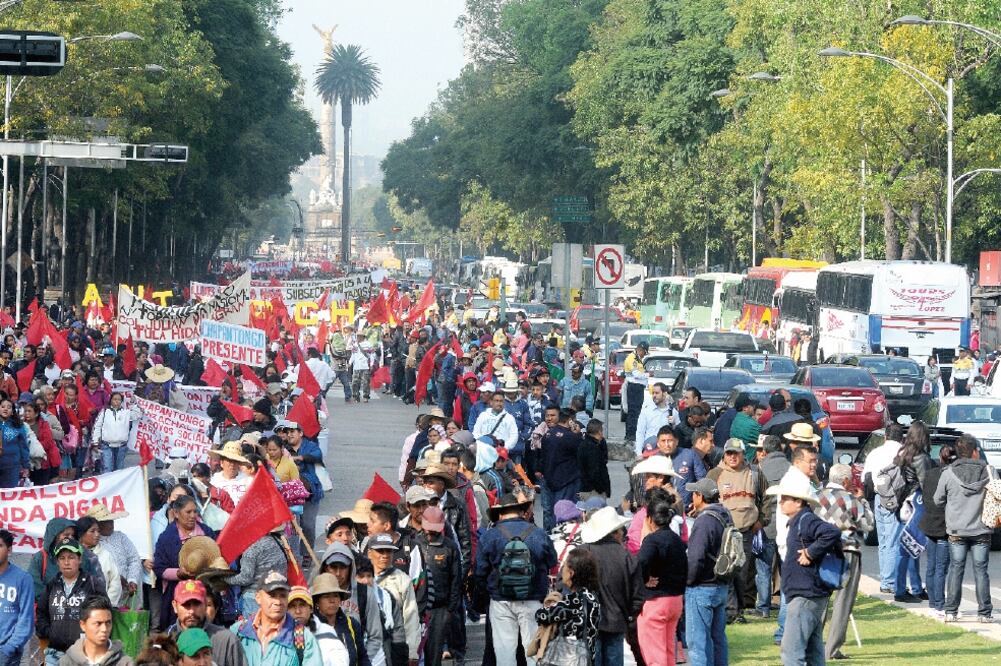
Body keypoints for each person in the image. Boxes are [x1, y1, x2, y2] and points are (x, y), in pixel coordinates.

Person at [475, 493, 557, 666]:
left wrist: (482, 598)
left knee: (505, 652)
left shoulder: (490, 536)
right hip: (532, 598)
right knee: (533, 651)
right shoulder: (538, 534)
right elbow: (551, 561)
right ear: (521, 512)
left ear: (501, 513)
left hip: (500, 600)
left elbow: (480, 571)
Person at [770, 473, 841, 666]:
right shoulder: (801, 520)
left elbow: (832, 532)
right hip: (809, 594)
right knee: (812, 650)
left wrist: (810, 552)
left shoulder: (806, 520)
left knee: (791, 652)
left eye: (785, 499)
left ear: (799, 502)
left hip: (805, 595)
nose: (781, 502)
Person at [934, 433, 994, 622]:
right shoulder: (989, 471)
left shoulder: (948, 473)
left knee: (955, 569)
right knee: (981, 571)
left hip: (957, 529)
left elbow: (937, 499)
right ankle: (984, 613)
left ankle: (951, 610)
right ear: (975, 452)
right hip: (982, 528)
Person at [817, 464, 874, 661]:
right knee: (843, 603)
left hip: (823, 551)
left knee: (820, 600)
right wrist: (863, 501)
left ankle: (813, 644)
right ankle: (831, 649)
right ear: (847, 481)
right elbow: (869, 524)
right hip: (848, 551)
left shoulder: (817, 497)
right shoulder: (851, 500)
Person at [706, 438, 767, 624]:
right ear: (724, 454)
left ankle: (737, 610)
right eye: (729, 453)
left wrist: (761, 521)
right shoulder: (715, 474)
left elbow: (768, 499)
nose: (732, 457)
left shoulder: (755, 473)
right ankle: (726, 609)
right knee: (723, 569)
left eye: (736, 453)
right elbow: (706, 500)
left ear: (743, 454)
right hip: (722, 532)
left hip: (745, 531)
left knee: (741, 571)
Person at [578, 507, 642, 666]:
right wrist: (628, 614)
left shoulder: (581, 553)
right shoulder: (625, 556)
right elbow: (638, 596)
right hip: (617, 622)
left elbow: (563, 585)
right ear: (615, 531)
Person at [636, 489, 687, 666]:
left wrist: (643, 580)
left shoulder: (652, 540)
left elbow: (641, 563)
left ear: (649, 519)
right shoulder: (676, 540)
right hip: (675, 600)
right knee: (667, 651)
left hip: (656, 600)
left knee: (654, 655)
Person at [683, 478, 731, 666]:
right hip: (721, 584)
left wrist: (688, 582)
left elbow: (695, 558)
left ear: (700, 496)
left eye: (694, 493)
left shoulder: (704, 521)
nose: (692, 496)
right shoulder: (725, 515)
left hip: (702, 587)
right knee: (718, 639)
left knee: (698, 644)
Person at [232, 571, 323, 665]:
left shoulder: (303, 637)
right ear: (258, 597)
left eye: (283, 596)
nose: (278, 602)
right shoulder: (238, 631)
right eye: (272, 595)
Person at [153, 495, 216, 631]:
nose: (193, 516)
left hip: (205, 590)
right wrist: (178, 573)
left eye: (195, 511)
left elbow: (217, 557)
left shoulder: (207, 532)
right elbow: (159, 568)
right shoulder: (167, 538)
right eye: (188, 512)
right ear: (176, 513)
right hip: (177, 591)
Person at [37, 539, 105, 665]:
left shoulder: (92, 584)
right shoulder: (52, 585)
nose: (66, 562)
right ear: (57, 562)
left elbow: (105, 615)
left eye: (71, 557)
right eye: (62, 558)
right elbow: (41, 613)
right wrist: (50, 633)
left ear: (79, 560)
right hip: (55, 654)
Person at [318, 543, 385, 666]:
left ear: (351, 568)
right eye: (333, 567)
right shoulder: (313, 594)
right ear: (325, 568)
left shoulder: (364, 593)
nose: (338, 573)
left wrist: (360, 659)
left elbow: (375, 636)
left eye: (343, 567)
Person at [534, 548, 602, 665]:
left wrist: (553, 601)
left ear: (571, 573)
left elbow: (541, 615)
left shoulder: (572, 602)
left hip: (566, 659)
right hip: (587, 659)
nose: (562, 570)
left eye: (564, 566)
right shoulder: (593, 597)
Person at [893, 422, 933, 603]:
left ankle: (911, 587)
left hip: (904, 503)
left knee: (907, 547)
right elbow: (926, 485)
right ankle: (903, 590)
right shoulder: (921, 458)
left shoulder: (903, 454)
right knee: (910, 548)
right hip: (916, 503)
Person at [416, 506, 462, 666]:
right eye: (428, 529)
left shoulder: (450, 547)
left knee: (434, 656)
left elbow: (456, 580)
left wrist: (450, 609)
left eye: (434, 530)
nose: (430, 534)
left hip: (440, 610)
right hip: (416, 610)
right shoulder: (414, 544)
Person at [862, 423, 904, 594]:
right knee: (894, 541)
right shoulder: (904, 453)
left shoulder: (875, 453)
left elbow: (866, 477)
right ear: (901, 438)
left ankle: (886, 579)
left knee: (884, 541)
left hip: (880, 497)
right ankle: (890, 580)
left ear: (886, 436)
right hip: (898, 499)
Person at [167, 579, 248, 666]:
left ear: (205, 605)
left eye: (197, 604)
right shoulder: (166, 643)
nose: (191, 611)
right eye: (186, 605)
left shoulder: (227, 640)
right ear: (175, 606)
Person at [367, 534, 420, 665]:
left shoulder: (402, 580)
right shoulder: (361, 578)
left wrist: (412, 651)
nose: (385, 555)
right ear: (369, 553)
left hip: (394, 643)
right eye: (380, 551)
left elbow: (411, 617)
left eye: (389, 551)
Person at [920, 445, 956, 620]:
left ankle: (933, 603)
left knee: (931, 566)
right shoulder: (951, 477)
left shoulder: (930, 474)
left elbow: (926, 497)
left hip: (929, 523)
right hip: (943, 526)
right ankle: (939, 604)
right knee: (941, 567)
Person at [307, 575, 368, 666]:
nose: (332, 600)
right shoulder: (309, 627)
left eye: (335, 596)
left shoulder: (351, 624)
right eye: (326, 596)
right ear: (317, 601)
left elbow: (362, 657)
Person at [58, 595, 133, 666]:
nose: (104, 629)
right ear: (82, 625)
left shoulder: (124, 662)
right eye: (98, 623)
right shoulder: (67, 662)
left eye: (108, 623)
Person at [539, 409, 583, 532]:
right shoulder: (571, 437)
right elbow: (583, 452)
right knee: (564, 511)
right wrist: (578, 435)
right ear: (570, 420)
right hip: (566, 480)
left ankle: (549, 534)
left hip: (549, 478)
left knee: (550, 510)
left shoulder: (547, 435)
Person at [0, 529, 33, 666]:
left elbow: (26, 620)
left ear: (9, 550)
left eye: (0, 546)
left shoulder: (23, 579)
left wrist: (8, 649)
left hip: (7, 653)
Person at [76, 517, 123, 607]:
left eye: (98, 531)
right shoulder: (72, 554)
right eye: (92, 531)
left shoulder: (106, 554)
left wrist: (106, 603)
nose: (97, 534)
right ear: (82, 534)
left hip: (101, 607)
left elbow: (115, 581)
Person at [91, 391, 138, 473]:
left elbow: (137, 415)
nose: (117, 401)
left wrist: (134, 403)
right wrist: (95, 442)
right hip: (106, 445)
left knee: (119, 470)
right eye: (115, 399)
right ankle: (108, 485)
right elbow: (97, 427)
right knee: (107, 468)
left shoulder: (126, 412)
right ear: (111, 400)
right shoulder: (104, 412)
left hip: (121, 446)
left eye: (119, 399)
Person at [633, 382, 677, 455]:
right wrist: (639, 453)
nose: (654, 395)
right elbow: (640, 433)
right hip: (649, 451)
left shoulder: (672, 412)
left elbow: (677, 434)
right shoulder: (646, 411)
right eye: (653, 393)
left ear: (664, 394)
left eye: (657, 393)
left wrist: (674, 423)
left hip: (666, 452)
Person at [208, 441, 252, 507]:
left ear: (239, 463)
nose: (232, 464)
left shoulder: (248, 481)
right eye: (229, 460)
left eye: (235, 461)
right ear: (222, 462)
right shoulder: (214, 481)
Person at [622, 342, 649, 441]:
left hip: (637, 388)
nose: (644, 355)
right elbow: (636, 374)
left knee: (636, 412)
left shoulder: (637, 359)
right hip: (634, 388)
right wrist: (648, 374)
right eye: (644, 352)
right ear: (640, 349)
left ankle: (633, 434)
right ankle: (630, 435)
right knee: (633, 412)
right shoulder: (632, 358)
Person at [578, 419, 611, 501]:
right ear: (599, 431)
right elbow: (594, 472)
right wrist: (601, 489)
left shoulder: (584, 444)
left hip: (586, 488)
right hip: (593, 492)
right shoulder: (593, 448)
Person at [0, 398, 29, 488]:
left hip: (12, 467)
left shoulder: (18, 426)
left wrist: (25, 466)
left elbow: (23, 447)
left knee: (9, 494)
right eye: (3, 406)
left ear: (12, 412)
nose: (5, 409)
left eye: (9, 407)